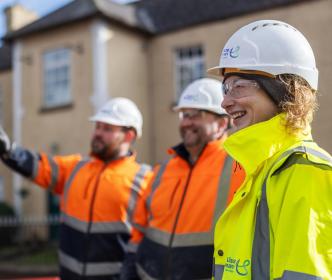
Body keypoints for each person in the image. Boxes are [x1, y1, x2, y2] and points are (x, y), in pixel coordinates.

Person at [208, 19, 332, 279]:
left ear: (284, 90)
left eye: (238, 86)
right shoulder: (258, 170)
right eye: (225, 88)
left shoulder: (306, 172)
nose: (225, 101)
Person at [0, 97, 153, 280]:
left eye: (107, 129)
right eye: (97, 127)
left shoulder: (145, 180)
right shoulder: (75, 168)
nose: (98, 133)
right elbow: (39, 166)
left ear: (129, 135)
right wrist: (8, 151)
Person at [121, 78, 245, 280]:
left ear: (222, 123)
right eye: (184, 115)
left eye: (196, 115)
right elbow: (141, 225)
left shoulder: (239, 168)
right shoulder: (163, 169)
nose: (186, 122)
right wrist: (131, 264)